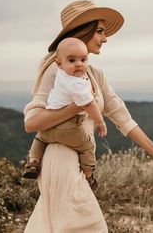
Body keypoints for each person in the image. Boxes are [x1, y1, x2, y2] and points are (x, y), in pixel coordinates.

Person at [23, 0, 153, 233]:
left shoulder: (95, 75)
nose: (105, 38)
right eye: (100, 31)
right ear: (83, 32)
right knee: (87, 227)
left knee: (57, 226)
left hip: (77, 163)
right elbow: (31, 123)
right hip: (59, 160)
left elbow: (123, 119)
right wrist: (77, 106)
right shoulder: (56, 68)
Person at [22, 37, 107, 187]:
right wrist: (99, 121)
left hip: (48, 127)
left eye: (83, 60)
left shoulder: (61, 74)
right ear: (59, 63)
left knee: (40, 140)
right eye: (72, 60)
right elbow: (89, 104)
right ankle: (88, 176)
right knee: (87, 148)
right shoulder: (77, 83)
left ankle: (33, 162)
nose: (79, 64)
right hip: (69, 128)